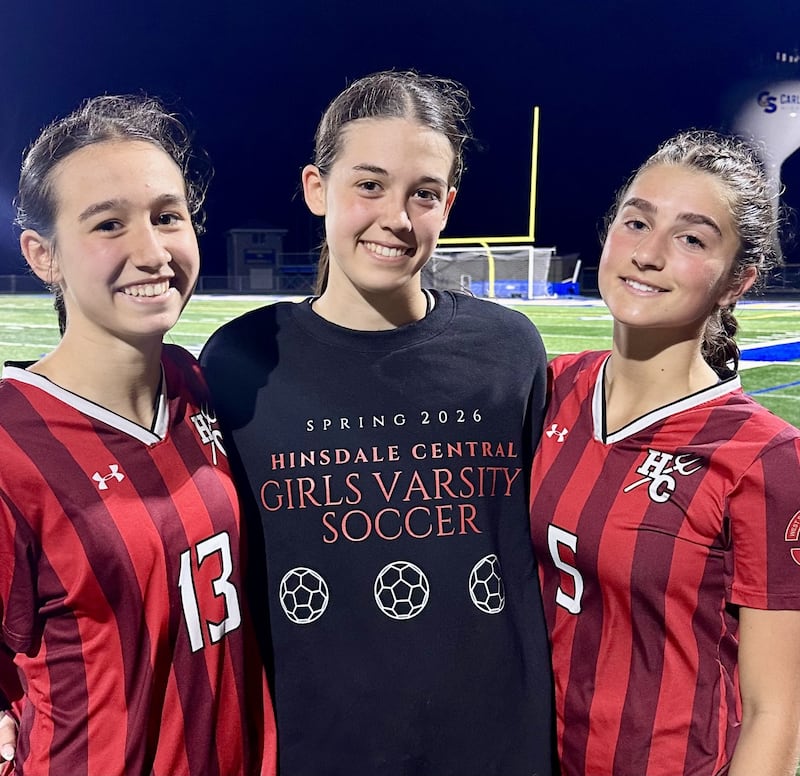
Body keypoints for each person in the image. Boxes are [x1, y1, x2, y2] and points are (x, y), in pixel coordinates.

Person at [200, 70, 555, 775]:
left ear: (447, 205)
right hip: (317, 748)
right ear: (315, 188)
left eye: (423, 193)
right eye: (369, 184)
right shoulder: (240, 360)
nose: (397, 215)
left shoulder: (508, 349)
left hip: (494, 746)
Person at [0, 95, 276, 775]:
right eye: (108, 224)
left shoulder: (197, 384)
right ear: (43, 256)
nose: (152, 252)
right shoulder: (10, 447)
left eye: (167, 217)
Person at [529, 129, 800, 775]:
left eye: (691, 238)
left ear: (737, 282)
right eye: (636, 222)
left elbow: (777, 717)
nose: (647, 254)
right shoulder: (547, 388)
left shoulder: (764, 458)